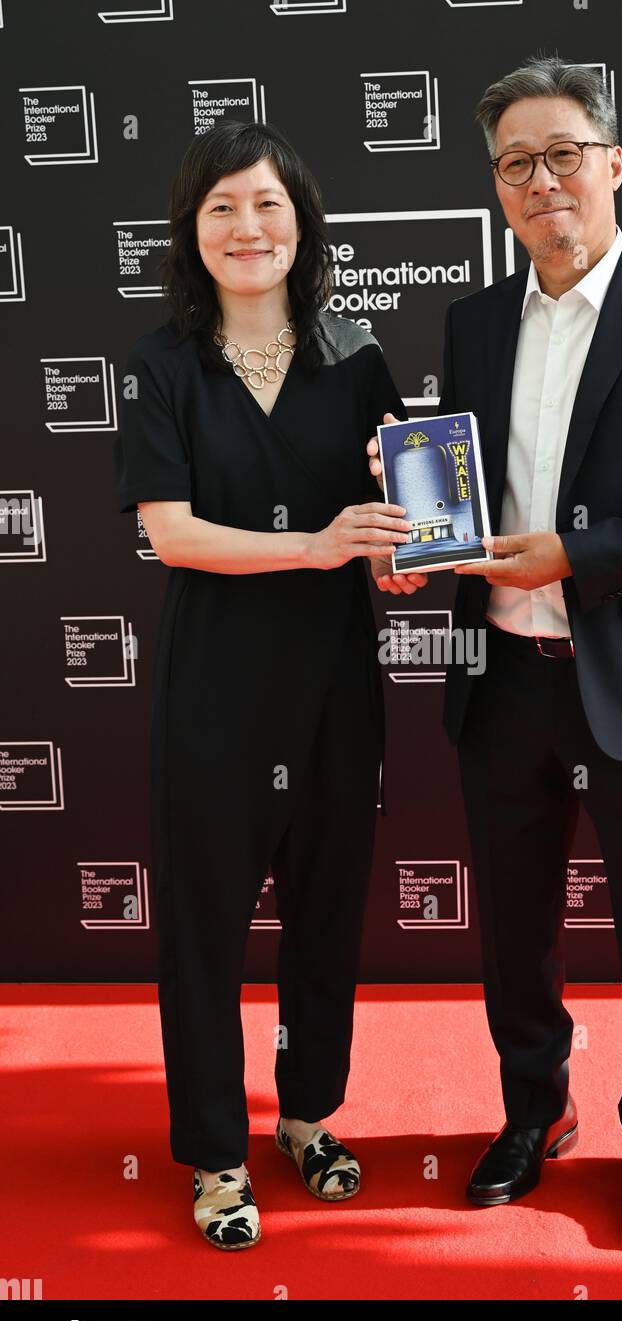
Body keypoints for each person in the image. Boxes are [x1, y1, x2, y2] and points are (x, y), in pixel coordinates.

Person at [368, 57, 622, 1245]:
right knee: (516, 925)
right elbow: (470, 496)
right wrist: (418, 533)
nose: (543, 182)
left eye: (562, 155)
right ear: (496, 189)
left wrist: (576, 558)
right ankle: (535, 1110)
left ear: (613, 165)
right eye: (515, 163)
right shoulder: (476, 321)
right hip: (501, 678)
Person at [114, 120, 410, 1250]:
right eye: (224, 207)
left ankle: (308, 1117)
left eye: (270, 204)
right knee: (201, 929)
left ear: (304, 222)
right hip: (215, 693)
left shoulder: (358, 359)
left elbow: (389, 550)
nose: (250, 227)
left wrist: (399, 548)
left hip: (337, 685)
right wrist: (318, 546)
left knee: (327, 919)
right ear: (194, 230)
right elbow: (173, 534)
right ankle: (216, 1157)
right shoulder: (161, 366)